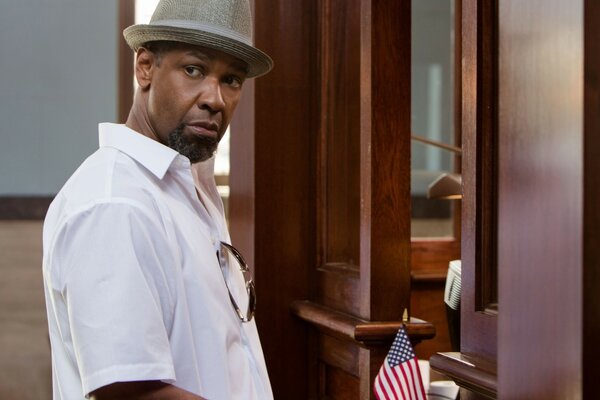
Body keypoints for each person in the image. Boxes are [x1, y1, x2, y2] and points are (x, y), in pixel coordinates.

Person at [42, 1, 273, 399]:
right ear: (145, 67)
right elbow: (132, 393)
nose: (214, 99)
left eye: (232, 79)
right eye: (194, 70)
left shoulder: (185, 187)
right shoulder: (115, 203)